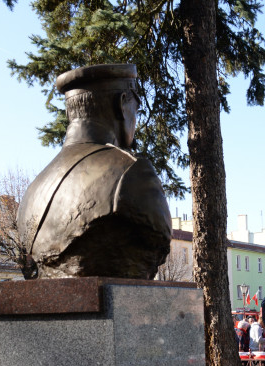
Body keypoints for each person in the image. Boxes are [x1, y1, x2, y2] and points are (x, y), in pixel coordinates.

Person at [17, 64, 171, 279]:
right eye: (136, 109)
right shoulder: (131, 172)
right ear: (122, 104)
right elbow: (158, 237)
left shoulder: (34, 189)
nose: (136, 119)